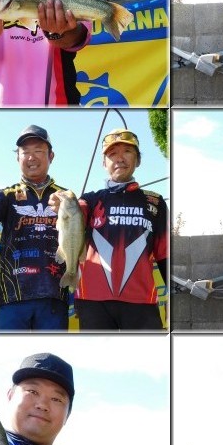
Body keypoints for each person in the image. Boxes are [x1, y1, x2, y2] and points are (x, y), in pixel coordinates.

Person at [73, 128, 168, 331]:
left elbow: (164, 254)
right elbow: (70, 216)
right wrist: (63, 202)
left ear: (138, 160)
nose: (119, 158)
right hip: (93, 301)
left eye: (127, 151)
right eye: (112, 153)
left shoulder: (155, 201)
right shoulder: (90, 199)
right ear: (104, 163)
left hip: (141, 301)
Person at [0, 124, 71, 331]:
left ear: (51, 156)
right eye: (25, 152)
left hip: (54, 295)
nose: (31, 157)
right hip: (12, 296)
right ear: (17, 158)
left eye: (38, 151)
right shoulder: (5, 196)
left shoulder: (66, 197)